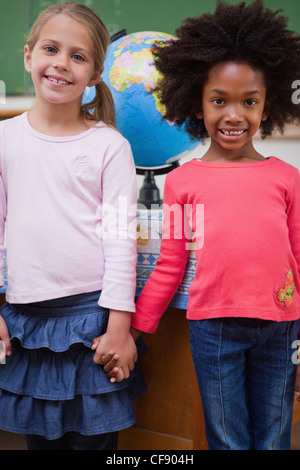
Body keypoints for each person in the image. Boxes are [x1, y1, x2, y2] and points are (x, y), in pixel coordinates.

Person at [109, 0, 300, 450]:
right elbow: (170, 264)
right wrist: (135, 328)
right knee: (226, 438)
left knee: (274, 436)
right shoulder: (183, 181)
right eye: (219, 101)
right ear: (196, 103)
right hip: (213, 329)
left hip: (281, 325)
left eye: (248, 101)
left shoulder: (287, 179)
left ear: (268, 106)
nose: (233, 115)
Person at [0, 1, 145, 450]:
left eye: (78, 56)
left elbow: (122, 240)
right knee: (41, 441)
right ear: (29, 56)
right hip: (26, 323)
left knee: (94, 441)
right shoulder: (5, 140)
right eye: (51, 49)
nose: (62, 63)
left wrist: (120, 325)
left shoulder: (110, 147)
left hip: (91, 320)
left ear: (96, 73)